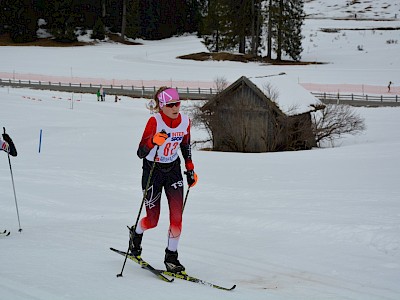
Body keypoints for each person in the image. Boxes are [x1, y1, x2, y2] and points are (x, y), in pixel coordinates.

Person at [129, 87, 198, 273]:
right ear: (161, 106)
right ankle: (135, 235)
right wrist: (153, 141)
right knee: (152, 220)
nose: (176, 108)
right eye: (171, 105)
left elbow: (185, 145)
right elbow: (140, 152)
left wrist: (190, 168)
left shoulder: (185, 122)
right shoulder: (155, 121)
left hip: (173, 170)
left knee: (177, 218)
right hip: (153, 171)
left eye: (178, 103)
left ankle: (171, 257)